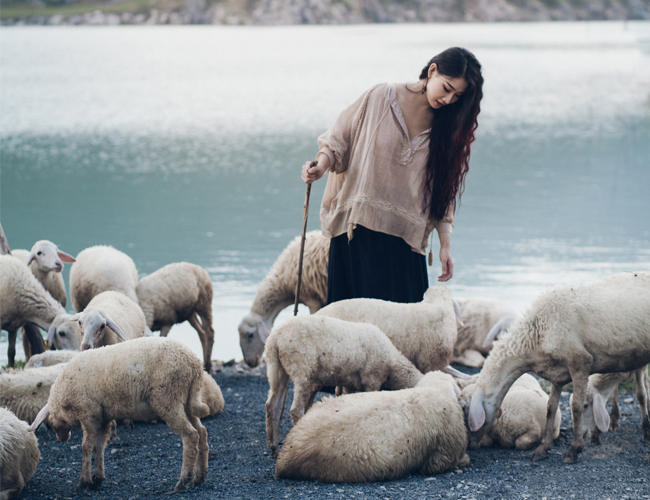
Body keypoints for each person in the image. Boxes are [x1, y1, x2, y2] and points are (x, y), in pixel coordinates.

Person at [302, 47, 484, 305]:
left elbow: (444, 190)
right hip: (358, 235)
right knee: (350, 333)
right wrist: (320, 166)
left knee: (403, 338)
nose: (449, 99)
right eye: (446, 88)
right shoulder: (380, 97)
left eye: (458, 96)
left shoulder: (449, 126)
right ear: (432, 71)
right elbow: (339, 139)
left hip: (404, 244)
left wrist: (445, 245)